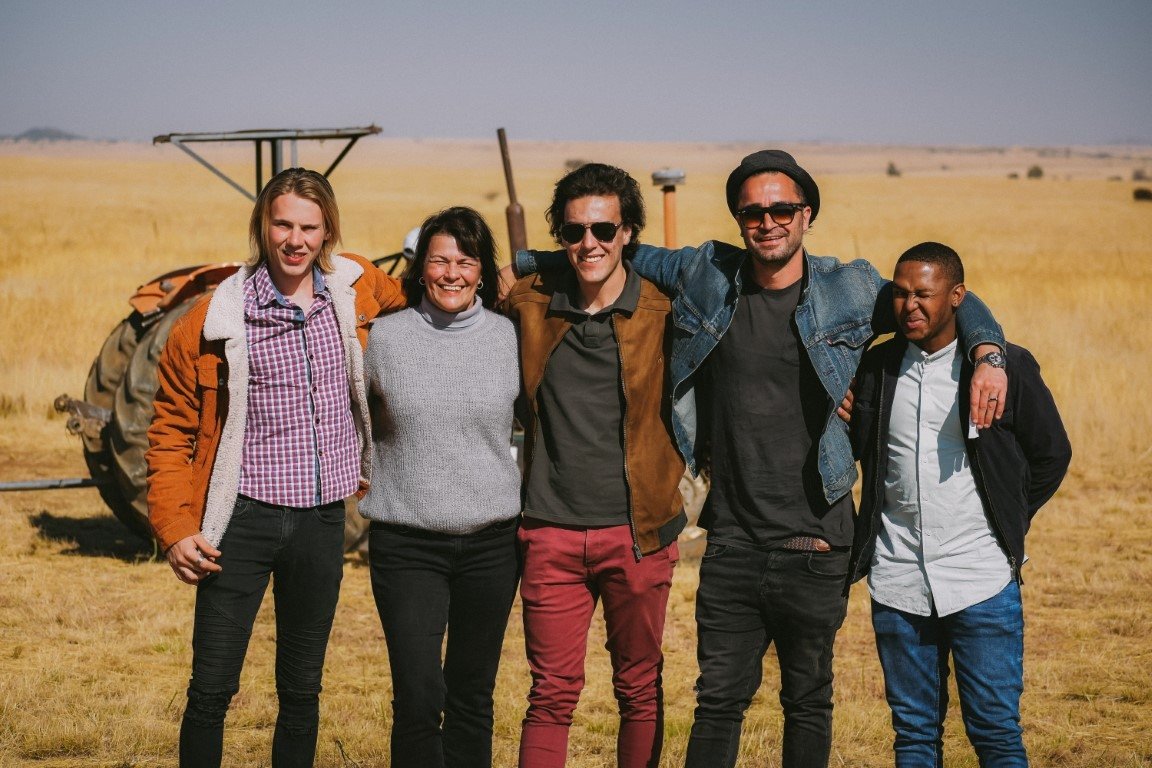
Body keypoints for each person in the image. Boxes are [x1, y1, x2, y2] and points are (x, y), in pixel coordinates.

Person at [508, 150, 1009, 767]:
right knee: (717, 701)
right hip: (732, 539)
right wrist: (523, 265)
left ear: (807, 214)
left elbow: (946, 299)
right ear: (738, 218)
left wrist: (988, 354)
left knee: (808, 699)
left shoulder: (848, 288)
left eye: (782, 209)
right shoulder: (707, 272)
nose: (767, 222)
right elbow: (606, 248)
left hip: (817, 539)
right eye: (752, 212)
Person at [146, 167, 406, 767]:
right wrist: (175, 527)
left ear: (328, 231)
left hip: (322, 522)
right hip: (240, 522)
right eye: (282, 224)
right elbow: (170, 430)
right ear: (262, 226)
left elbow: (424, 297)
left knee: (302, 690)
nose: (295, 240)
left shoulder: (355, 287)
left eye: (309, 227)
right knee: (211, 689)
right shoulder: (214, 318)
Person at [847, 242, 1071, 767]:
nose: (910, 306)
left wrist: (1005, 519)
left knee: (995, 732)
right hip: (898, 578)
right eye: (900, 294)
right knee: (913, 734)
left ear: (957, 297)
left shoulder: (1006, 368)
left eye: (924, 294)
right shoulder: (877, 368)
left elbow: (1052, 454)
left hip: (980, 579)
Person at [502, 163, 686, 768]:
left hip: (639, 534)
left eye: (605, 229)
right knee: (550, 694)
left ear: (628, 232)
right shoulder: (529, 302)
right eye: (574, 231)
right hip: (550, 529)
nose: (590, 244)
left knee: (639, 688)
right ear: (560, 234)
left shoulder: (663, 310)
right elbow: (448, 287)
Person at [359, 207, 521, 768]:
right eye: (439, 261)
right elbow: (347, 417)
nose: (452, 274)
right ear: (420, 268)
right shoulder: (385, 338)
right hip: (407, 544)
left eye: (465, 261)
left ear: (483, 271)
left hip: (492, 546)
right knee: (419, 697)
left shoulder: (509, 337)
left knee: (473, 695)